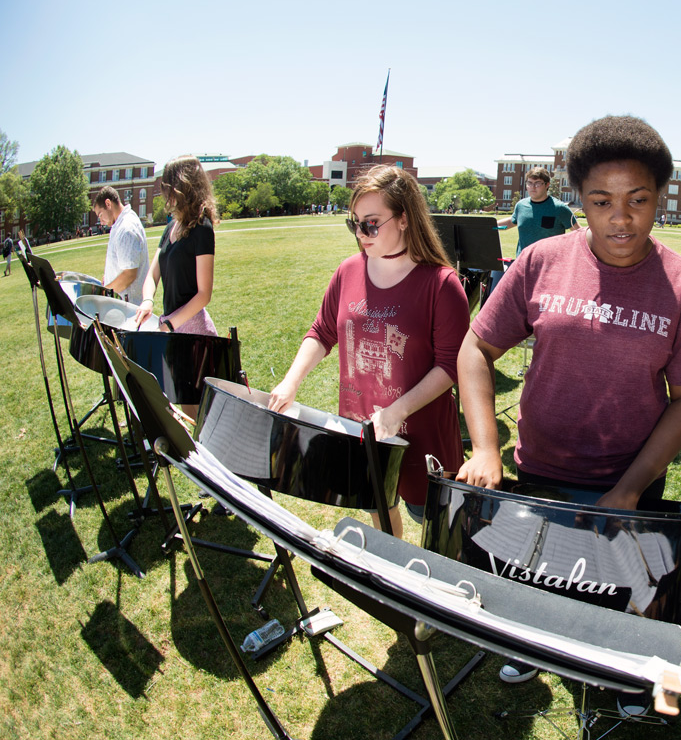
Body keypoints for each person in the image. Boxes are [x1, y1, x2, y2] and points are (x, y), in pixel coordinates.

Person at [456, 116, 681, 697]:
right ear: (579, 199)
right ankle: (529, 646)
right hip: (541, 472)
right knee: (536, 581)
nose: (620, 218)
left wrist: (630, 488)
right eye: (602, 201)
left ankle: (620, 678)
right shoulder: (540, 261)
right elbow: (475, 349)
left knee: (621, 597)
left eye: (638, 200)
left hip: (632, 481)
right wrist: (484, 446)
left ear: (660, 200)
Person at [268, 165, 470, 537]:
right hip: (361, 432)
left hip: (421, 438)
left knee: (437, 533)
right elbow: (322, 331)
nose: (361, 234)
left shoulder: (441, 284)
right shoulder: (347, 271)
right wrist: (290, 381)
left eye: (372, 223)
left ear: (405, 219)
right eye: (355, 223)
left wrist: (398, 411)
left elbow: (450, 366)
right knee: (380, 514)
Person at [134, 155, 220, 416]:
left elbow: (204, 294)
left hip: (193, 332)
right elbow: (152, 274)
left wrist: (170, 323)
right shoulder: (170, 227)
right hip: (172, 328)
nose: (165, 195)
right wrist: (148, 299)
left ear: (182, 186)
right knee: (182, 405)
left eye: (168, 187)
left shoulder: (202, 229)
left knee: (197, 411)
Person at [495, 166, 579, 256]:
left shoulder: (560, 208)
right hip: (522, 263)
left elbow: (579, 233)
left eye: (538, 183)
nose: (533, 187)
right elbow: (511, 222)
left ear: (547, 185)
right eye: (529, 183)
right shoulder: (521, 206)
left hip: (549, 265)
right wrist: (488, 225)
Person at [91, 186, 149, 303]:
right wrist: (108, 277)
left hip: (129, 307)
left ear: (108, 203)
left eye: (100, 215)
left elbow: (129, 274)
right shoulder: (119, 224)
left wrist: (104, 293)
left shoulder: (126, 228)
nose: (101, 222)